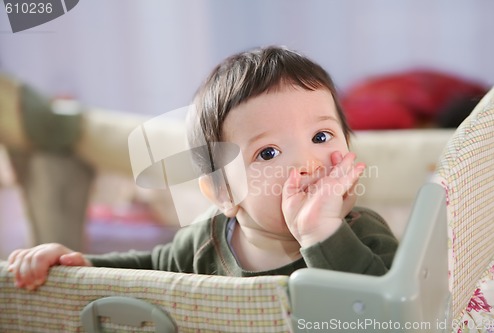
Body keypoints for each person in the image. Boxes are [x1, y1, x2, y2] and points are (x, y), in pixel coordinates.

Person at [8, 46, 398, 290]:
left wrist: (323, 234)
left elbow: (389, 314)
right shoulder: (205, 242)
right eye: (267, 153)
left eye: (321, 136)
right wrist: (81, 264)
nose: (307, 162)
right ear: (223, 193)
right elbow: (146, 271)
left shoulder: (364, 233)